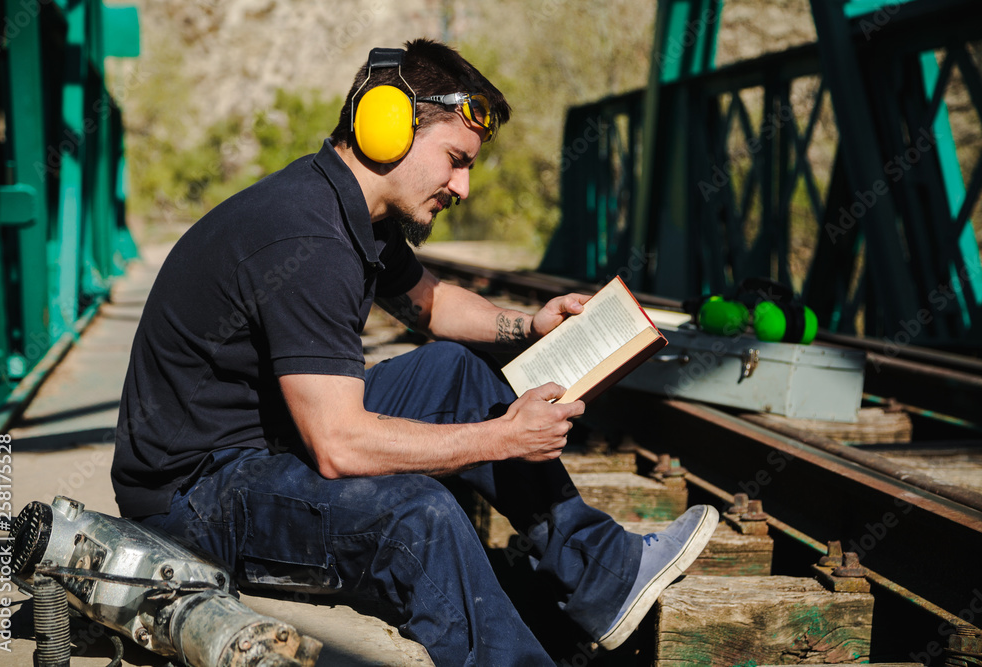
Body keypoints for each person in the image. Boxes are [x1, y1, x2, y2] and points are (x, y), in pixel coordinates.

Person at [112, 38, 718, 665]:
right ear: (387, 128)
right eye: (455, 159)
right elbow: (340, 444)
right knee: (417, 517)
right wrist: (504, 439)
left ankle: (604, 577)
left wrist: (529, 326)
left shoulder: (353, 209)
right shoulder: (307, 236)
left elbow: (436, 307)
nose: (461, 186)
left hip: (263, 440)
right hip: (193, 502)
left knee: (455, 371)